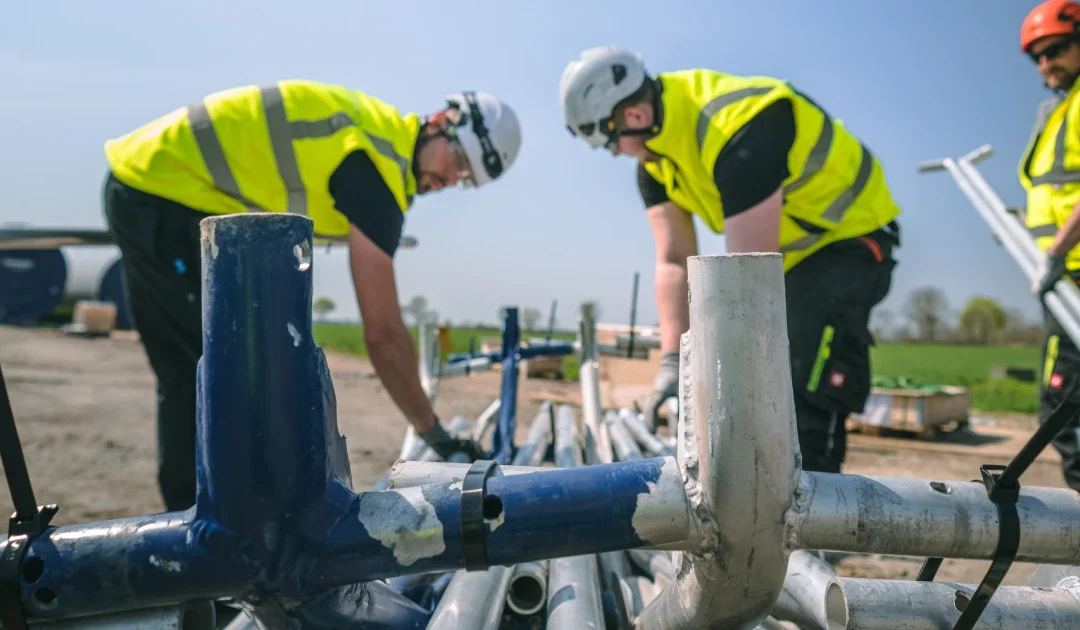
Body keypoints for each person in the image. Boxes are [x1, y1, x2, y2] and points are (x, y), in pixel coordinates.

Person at [102, 80, 520, 512]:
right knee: (204, 376)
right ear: (439, 123)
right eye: (459, 160)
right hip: (158, 192)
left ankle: (214, 524)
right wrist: (435, 433)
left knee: (222, 374)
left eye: (466, 178)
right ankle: (196, 536)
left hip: (164, 190)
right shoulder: (377, 169)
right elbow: (383, 334)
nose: (452, 179)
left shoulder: (377, 136)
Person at [559, 47, 901, 473]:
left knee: (789, 385)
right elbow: (673, 262)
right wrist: (674, 366)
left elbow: (748, 282)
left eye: (611, 142)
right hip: (789, 258)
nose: (615, 154)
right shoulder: (656, 166)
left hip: (851, 238)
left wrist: (722, 382)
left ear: (633, 117)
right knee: (759, 382)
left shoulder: (739, 127)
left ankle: (811, 522)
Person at [1019, 0, 1080, 493]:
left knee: (1066, 411)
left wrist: (1056, 252)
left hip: (1075, 276)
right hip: (1064, 279)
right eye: (1036, 57)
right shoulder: (1062, 109)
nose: (1046, 64)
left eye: (1056, 50)